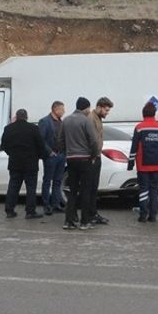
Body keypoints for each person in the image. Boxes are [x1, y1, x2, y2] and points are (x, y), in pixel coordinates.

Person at [56, 96, 99, 230]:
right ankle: (85, 221)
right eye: (88, 108)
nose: (89, 110)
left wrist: (66, 152)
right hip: (85, 159)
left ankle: (69, 221)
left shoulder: (66, 120)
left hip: (71, 159)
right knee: (86, 190)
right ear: (85, 108)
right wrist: (93, 156)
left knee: (72, 191)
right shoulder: (86, 121)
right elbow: (94, 141)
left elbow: (60, 139)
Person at [2, 109, 48, 219]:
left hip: (14, 162)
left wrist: (11, 154)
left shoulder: (8, 129)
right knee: (31, 188)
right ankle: (30, 211)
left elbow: (4, 145)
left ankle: (9, 210)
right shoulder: (33, 128)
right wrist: (39, 156)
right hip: (30, 163)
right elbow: (41, 145)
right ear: (26, 117)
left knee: (13, 186)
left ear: (16, 117)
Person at [128, 102, 158, 223]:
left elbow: (134, 146)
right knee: (154, 189)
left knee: (144, 189)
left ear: (143, 113)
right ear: (154, 113)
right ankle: (153, 215)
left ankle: (143, 215)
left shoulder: (139, 127)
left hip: (143, 164)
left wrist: (130, 163)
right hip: (157, 164)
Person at [86, 97, 114, 226]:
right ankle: (90, 215)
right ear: (99, 107)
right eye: (106, 110)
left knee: (93, 188)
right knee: (90, 188)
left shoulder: (97, 119)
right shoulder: (91, 119)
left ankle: (93, 213)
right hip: (92, 158)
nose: (107, 113)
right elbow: (92, 140)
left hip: (96, 156)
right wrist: (93, 156)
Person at [37, 101, 66, 215]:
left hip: (61, 155)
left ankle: (56, 203)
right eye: (62, 109)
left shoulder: (61, 122)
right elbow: (41, 139)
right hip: (51, 156)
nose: (63, 112)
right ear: (55, 109)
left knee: (58, 181)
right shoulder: (45, 121)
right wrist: (49, 152)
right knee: (47, 180)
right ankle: (46, 205)